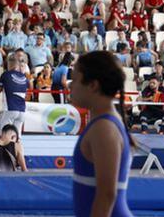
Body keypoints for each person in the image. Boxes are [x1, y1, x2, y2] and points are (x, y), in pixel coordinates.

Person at [69, 51, 133, 217]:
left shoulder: (104, 128)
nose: (70, 85)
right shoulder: (103, 123)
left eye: (75, 80)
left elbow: (107, 195)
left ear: (93, 85)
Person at [0, 54, 30, 135]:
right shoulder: (25, 78)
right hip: (22, 110)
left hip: (10, 109)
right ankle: (18, 147)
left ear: (9, 63)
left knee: (3, 133)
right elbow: (28, 92)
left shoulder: (5, 75)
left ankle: (2, 147)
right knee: (17, 136)